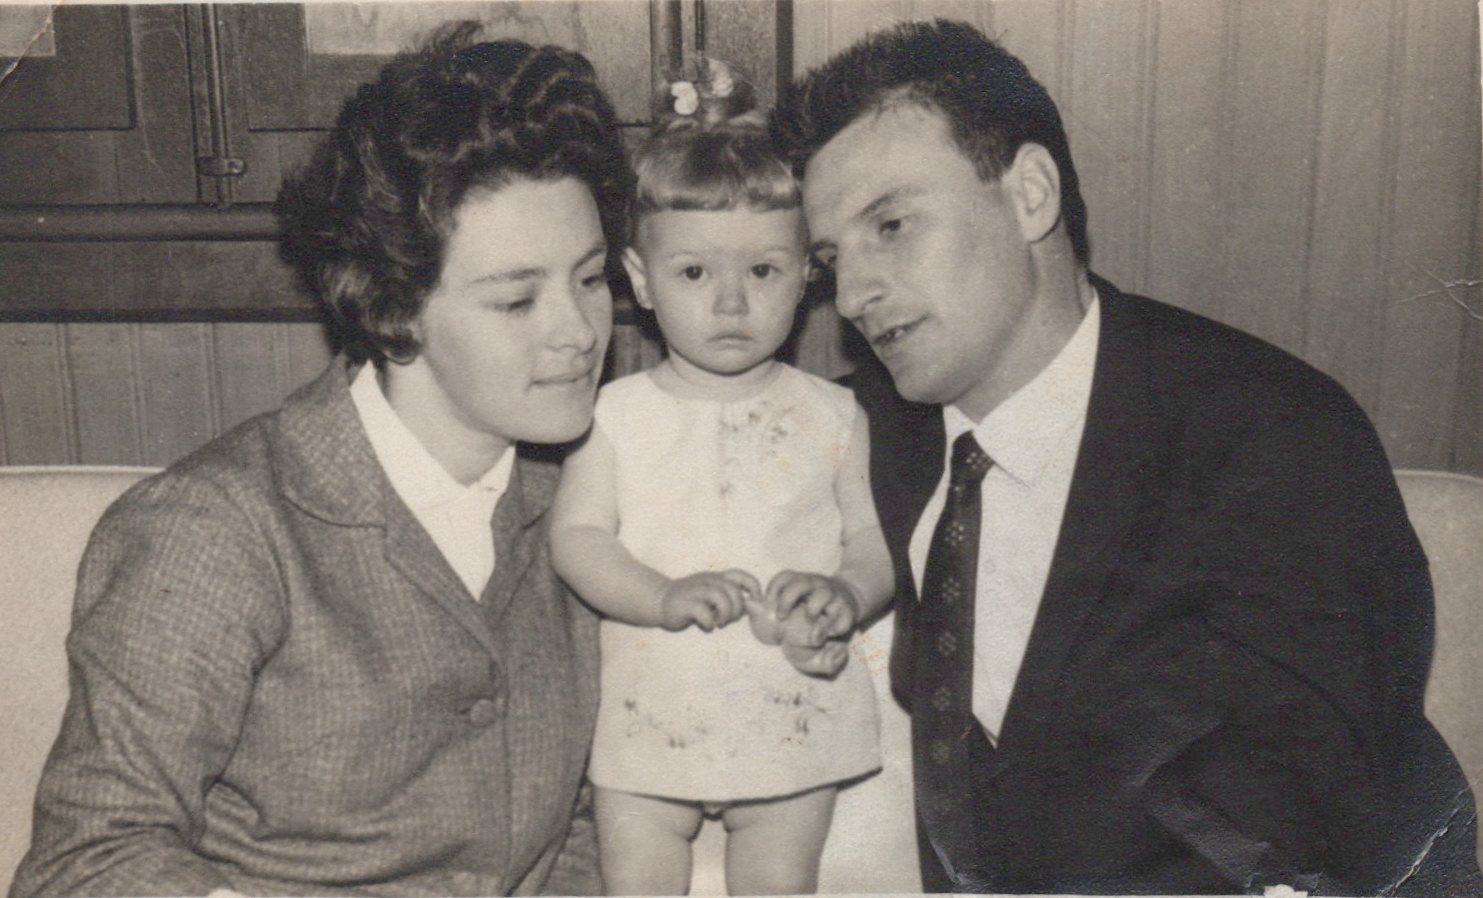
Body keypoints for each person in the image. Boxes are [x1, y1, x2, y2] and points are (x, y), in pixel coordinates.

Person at [770, 18, 1483, 896]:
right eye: (831, 259)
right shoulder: (876, 429)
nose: (851, 295)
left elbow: (1310, 815)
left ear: (1031, 195)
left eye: (890, 224)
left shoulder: (1271, 433)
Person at [10, 24, 629, 898]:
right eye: (516, 299)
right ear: (393, 304)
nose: (578, 332)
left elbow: (590, 820)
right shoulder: (215, 530)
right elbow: (86, 863)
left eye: (591, 279)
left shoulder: (587, 503)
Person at [549, 59, 892, 896]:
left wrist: (845, 593)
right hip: (651, 708)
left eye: (762, 271)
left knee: (779, 881)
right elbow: (578, 540)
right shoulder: (611, 416)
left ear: (806, 274)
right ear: (641, 280)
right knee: (637, 879)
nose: (731, 303)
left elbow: (875, 541)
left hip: (790, 710)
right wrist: (659, 595)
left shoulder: (833, 416)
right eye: (695, 273)